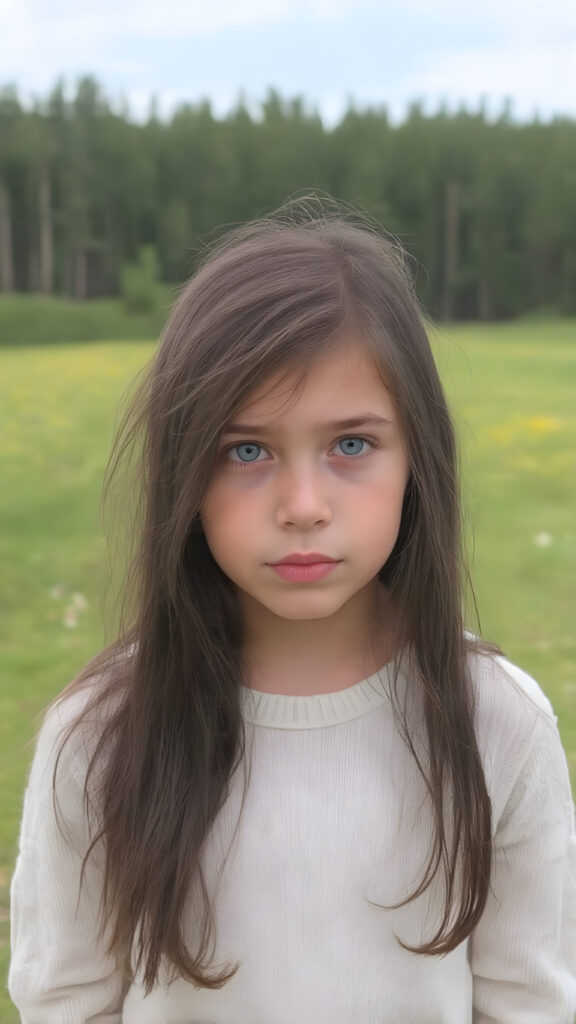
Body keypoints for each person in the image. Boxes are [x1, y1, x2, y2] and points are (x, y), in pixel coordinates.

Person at [8, 200, 576, 1024]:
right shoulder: (99, 733)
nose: (303, 505)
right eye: (246, 451)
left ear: (418, 457)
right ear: (183, 473)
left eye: (351, 445)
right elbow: (67, 1000)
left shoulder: (501, 723)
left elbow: (532, 1003)